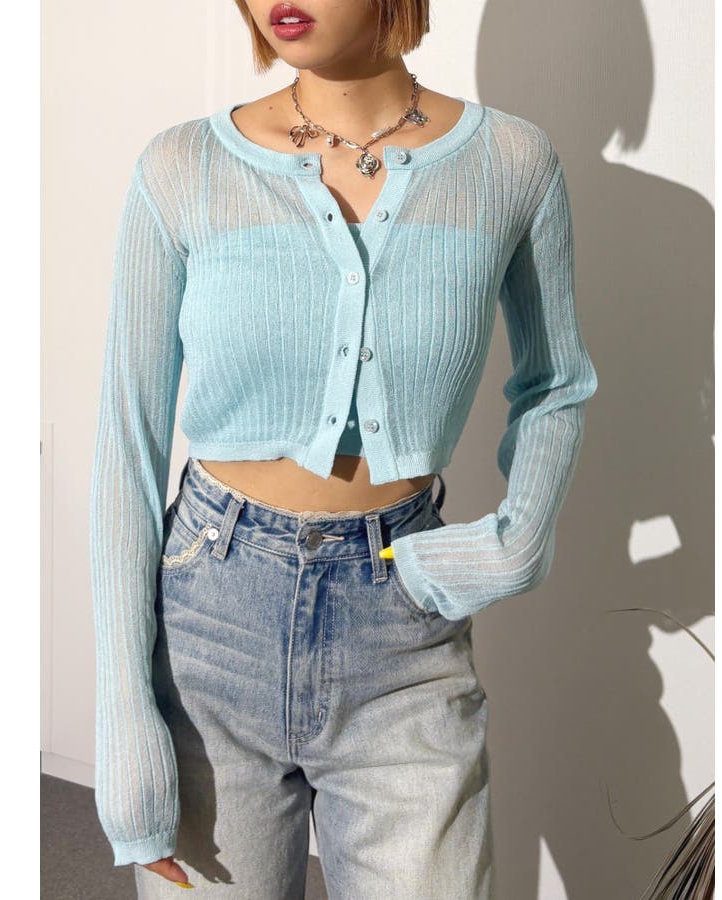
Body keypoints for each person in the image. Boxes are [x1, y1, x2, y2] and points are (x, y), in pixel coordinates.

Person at [88, 0, 599, 896]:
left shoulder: (510, 163)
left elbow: (556, 384)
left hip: (403, 630)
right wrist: (125, 717)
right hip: (210, 623)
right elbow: (128, 440)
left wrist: (514, 545)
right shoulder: (183, 167)